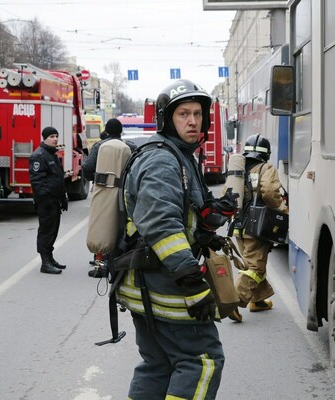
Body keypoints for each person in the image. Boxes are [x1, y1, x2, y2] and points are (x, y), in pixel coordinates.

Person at [116, 80, 226, 399]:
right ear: (166, 119)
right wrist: (192, 282)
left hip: (147, 283)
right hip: (166, 285)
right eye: (183, 114)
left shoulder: (180, 154)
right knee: (202, 361)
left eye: (197, 113)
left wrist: (205, 235)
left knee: (159, 365)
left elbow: (181, 214)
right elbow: (161, 226)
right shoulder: (163, 159)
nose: (193, 121)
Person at [227, 134, 287, 322]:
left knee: (250, 263)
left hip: (238, 225)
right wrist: (282, 208)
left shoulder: (238, 170)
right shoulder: (266, 168)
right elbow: (269, 192)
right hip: (257, 226)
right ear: (266, 153)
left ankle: (258, 300)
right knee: (255, 267)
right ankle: (234, 302)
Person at [29, 126, 69, 275]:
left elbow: (58, 178)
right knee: (46, 231)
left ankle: (50, 258)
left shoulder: (52, 154)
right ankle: (45, 262)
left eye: (56, 136)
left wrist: (63, 197)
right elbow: (37, 181)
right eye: (52, 136)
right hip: (46, 202)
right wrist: (45, 200)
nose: (55, 139)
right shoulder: (38, 156)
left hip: (54, 200)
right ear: (44, 138)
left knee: (53, 230)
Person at [82, 118, 136, 182]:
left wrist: (95, 178)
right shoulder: (130, 147)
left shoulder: (98, 146)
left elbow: (87, 168)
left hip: (102, 189)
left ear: (106, 131)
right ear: (120, 131)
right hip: (123, 189)